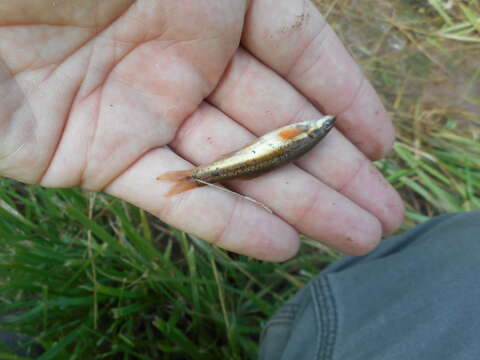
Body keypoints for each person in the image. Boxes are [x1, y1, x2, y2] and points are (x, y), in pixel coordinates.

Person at [1, 1, 478, 359]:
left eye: (319, 128)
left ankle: (197, 177)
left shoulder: (303, 133)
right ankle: (199, 177)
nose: (318, 127)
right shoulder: (303, 132)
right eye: (318, 127)